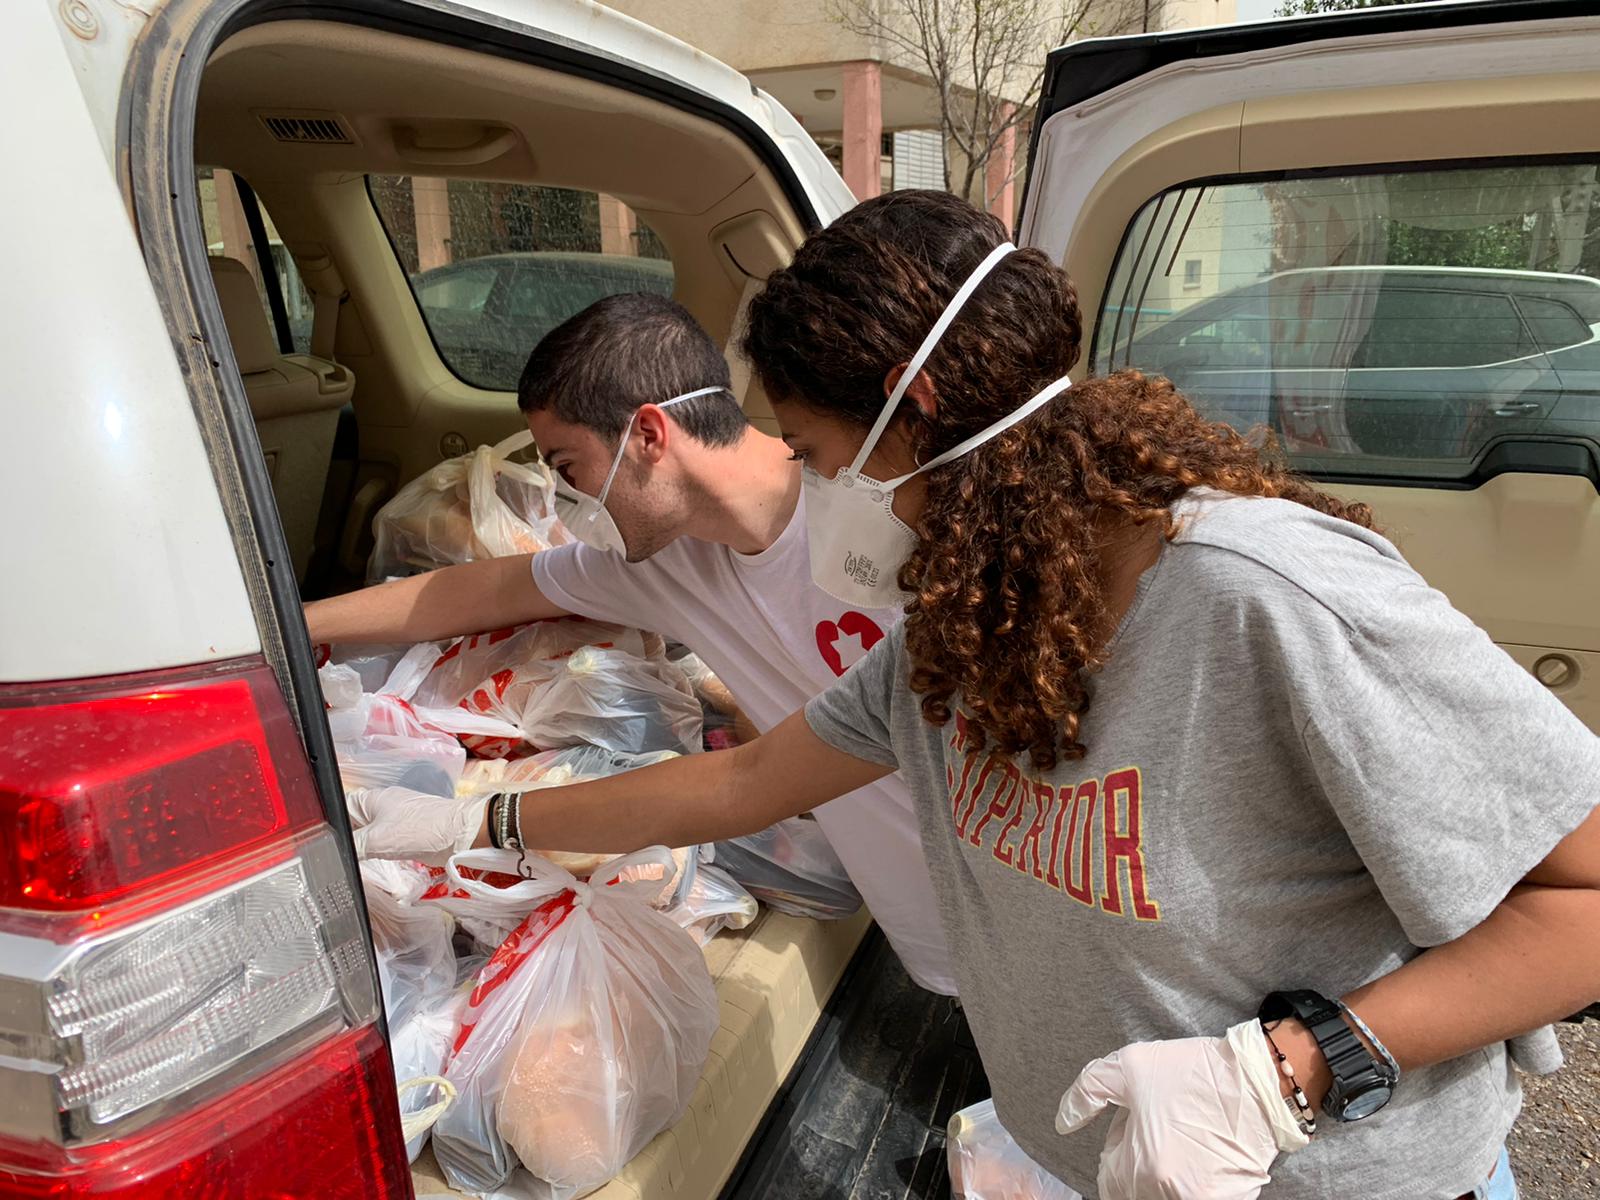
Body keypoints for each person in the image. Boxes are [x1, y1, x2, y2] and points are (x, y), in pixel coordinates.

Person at [357, 190, 1600, 1200]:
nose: (823, 492)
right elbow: (740, 781)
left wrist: (1290, 1073)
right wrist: (480, 823)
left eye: (825, 455)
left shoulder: (1259, 597)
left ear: (927, 418)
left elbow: (1582, 897)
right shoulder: (968, 631)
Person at [306, 291, 956, 996]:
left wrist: (472, 820)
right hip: (934, 950)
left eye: (567, 468)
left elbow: (747, 786)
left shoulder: (883, 516)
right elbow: (487, 590)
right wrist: (294, 626)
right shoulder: (669, 559)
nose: (569, 502)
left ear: (648, 435)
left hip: (1033, 911)